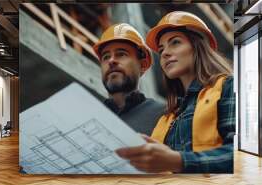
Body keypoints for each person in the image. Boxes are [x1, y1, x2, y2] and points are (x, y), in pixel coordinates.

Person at [116, 11, 235, 173]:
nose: (164, 53)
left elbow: (241, 156)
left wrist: (179, 161)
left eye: (175, 42)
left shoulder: (228, 87)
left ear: (198, 46)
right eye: (161, 48)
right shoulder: (167, 118)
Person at [92, 23, 164, 136]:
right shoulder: (90, 119)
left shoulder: (164, 116)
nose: (111, 61)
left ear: (143, 64)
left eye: (121, 54)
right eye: (106, 57)